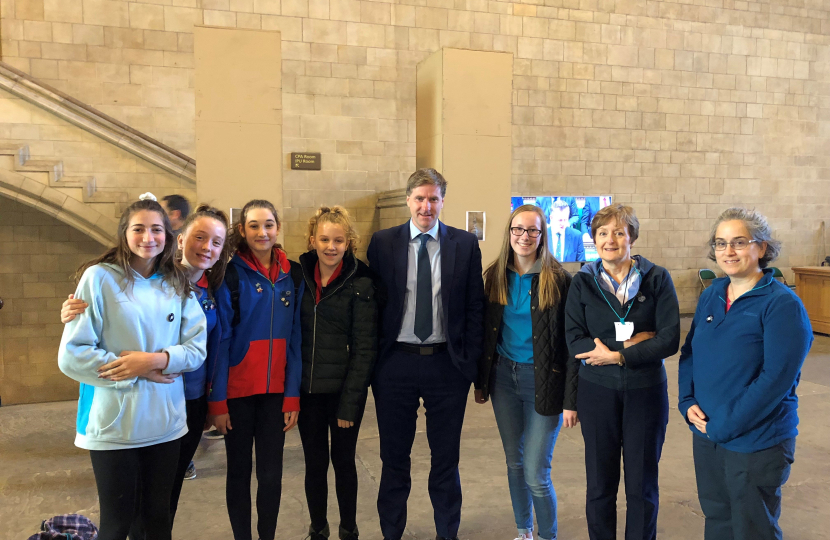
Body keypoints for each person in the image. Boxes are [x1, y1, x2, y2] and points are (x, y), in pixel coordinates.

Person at [60, 204, 232, 534]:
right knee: (117, 522)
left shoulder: (175, 282)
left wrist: (156, 361)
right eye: (138, 228)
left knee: (157, 519)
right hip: (114, 422)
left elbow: (196, 349)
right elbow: (73, 355)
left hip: (165, 420)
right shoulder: (99, 278)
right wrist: (137, 369)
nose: (148, 237)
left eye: (156, 229)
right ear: (124, 233)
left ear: (167, 235)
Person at [678, 207, 813, 540]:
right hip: (707, 433)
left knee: (752, 528)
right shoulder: (712, 295)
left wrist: (724, 426)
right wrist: (687, 400)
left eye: (739, 242)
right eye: (721, 243)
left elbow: (775, 380)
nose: (729, 251)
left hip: (756, 440)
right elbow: (691, 353)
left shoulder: (781, 305)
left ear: (762, 247)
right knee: (718, 520)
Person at [366, 168, 485, 540]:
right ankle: (391, 533)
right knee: (393, 459)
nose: (426, 206)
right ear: (408, 200)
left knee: (446, 460)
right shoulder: (382, 243)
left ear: (443, 201)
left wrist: (472, 367)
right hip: (395, 364)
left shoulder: (464, 244)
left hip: (446, 366)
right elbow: (373, 306)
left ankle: (447, 533)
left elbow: (475, 308)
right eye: (419, 198)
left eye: (433, 198)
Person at [564, 203, 680, 540]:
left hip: (646, 391)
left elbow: (669, 338)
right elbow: (574, 340)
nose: (610, 240)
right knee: (600, 484)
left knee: (642, 485)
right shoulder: (582, 282)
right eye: (602, 233)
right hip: (597, 392)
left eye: (619, 232)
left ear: (632, 238)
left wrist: (616, 355)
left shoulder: (657, 278)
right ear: (594, 239)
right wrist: (634, 343)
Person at [474, 205, 576, 540]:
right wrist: (481, 381)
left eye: (533, 230)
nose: (524, 236)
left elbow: (571, 344)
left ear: (542, 235)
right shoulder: (494, 276)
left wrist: (571, 398)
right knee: (514, 464)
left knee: (535, 472)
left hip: (543, 381)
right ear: (509, 233)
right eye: (518, 229)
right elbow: (485, 332)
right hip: (504, 378)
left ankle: (547, 536)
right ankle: (524, 531)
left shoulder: (559, 280)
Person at [207, 199, 303, 540]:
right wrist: (218, 402)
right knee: (238, 473)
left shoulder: (294, 274)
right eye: (254, 226)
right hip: (237, 394)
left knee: (271, 476)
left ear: (278, 227)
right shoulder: (230, 275)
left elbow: (295, 339)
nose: (262, 232)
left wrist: (292, 395)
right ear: (242, 230)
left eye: (268, 225)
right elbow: (221, 342)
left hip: (275, 394)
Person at [298, 206, 378, 540]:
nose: (331, 247)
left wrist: (350, 404)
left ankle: (348, 529)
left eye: (338, 240)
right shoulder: (299, 277)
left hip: (343, 394)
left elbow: (365, 349)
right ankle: (318, 528)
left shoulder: (360, 283)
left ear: (349, 243)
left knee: (344, 462)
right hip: (307, 393)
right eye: (324, 239)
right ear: (312, 240)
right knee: (314, 464)